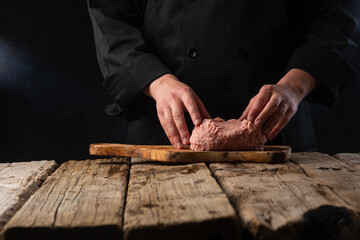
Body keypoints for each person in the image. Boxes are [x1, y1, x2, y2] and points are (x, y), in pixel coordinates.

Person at [88, 0, 360, 151]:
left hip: (276, 135)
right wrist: (157, 82)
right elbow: (110, 15)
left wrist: (293, 87)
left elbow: (336, 18)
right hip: (166, 138)